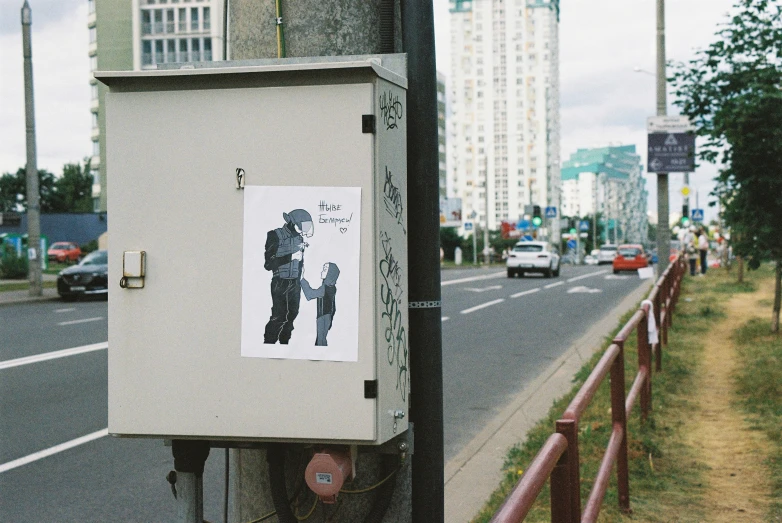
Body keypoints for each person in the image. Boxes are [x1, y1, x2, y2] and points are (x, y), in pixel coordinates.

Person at [263, 209, 314, 344]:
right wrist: (290, 257)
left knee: (292, 315)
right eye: (303, 226)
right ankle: (269, 344)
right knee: (279, 317)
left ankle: (284, 344)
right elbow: (268, 264)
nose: (305, 230)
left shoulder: (299, 237)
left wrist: (301, 274)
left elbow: (300, 261)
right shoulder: (275, 235)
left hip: (295, 283)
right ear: (293, 223)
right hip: (280, 282)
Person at [301, 262, 340, 346]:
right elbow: (334, 306)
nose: (321, 272)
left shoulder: (325, 288)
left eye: (325, 269)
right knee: (322, 340)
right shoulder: (332, 287)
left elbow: (310, 294)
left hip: (322, 317)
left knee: (320, 341)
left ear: (330, 273)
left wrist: (302, 279)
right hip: (328, 316)